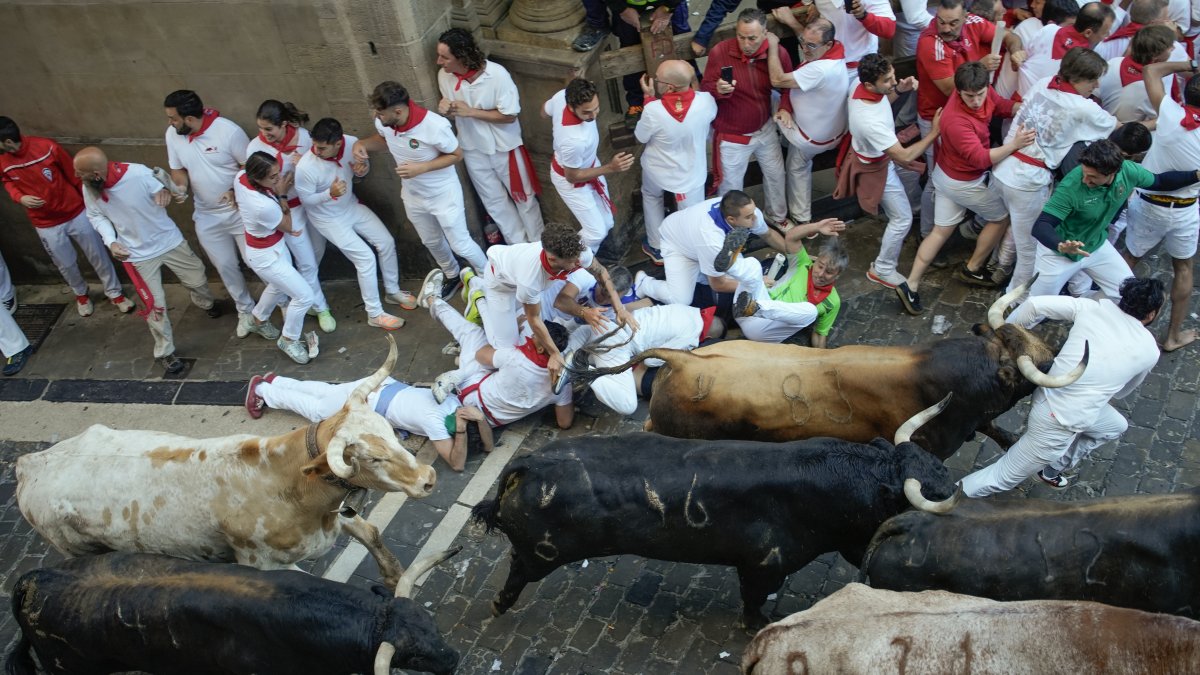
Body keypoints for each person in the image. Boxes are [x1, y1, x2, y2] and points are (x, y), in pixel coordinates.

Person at [961, 277, 1164, 496]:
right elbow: (1123, 392)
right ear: (1152, 314)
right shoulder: (1150, 351)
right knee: (1001, 477)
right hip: (1059, 421)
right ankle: (938, 499)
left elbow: (1033, 305)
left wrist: (1003, 337)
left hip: (1048, 391)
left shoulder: (1090, 307)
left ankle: (1052, 468)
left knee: (1115, 426)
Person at [74, 147, 219, 375]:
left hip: (169, 241)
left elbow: (171, 192)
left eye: (80, 172)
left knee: (198, 279)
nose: (76, 177)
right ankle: (165, 352)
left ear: (96, 173)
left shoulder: (138, 174)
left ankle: (205, 302)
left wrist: (165, 189)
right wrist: (111, 241)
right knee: (154, 305)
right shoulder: (89, 187)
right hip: (136, 255)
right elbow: (95, 215)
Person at [902, 62, 1035, 309]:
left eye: (980, 95)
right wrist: (1015, 144)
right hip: (962, 181)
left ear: (986, 86)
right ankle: (973, 267)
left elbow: (999, 104)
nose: (976, 101)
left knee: (940, 232)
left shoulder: (981, 90)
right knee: (1001, 217)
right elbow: (982, 158)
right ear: (959, 91)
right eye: (969, 97)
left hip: (946, 175)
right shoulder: (955, 121)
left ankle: (910, 285)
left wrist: (1023, 107)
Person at [993, 48, 1117, 297]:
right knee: (1031, 248)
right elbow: (1115, 126)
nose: (1096, 85)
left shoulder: (1042, 83)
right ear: (1079, 79)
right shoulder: (1083, 107)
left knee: (1017, 232)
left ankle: (1002, 267)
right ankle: (1014, 302)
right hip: (1027, 181)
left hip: (1004, 169)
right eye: (1093, 80)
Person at [354, 80, 489, 299]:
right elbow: (384, 140)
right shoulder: (387, 124)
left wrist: (422, 167)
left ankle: (488, 276)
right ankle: (452, 274)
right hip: (413, 195)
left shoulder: (434, 126)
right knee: (431, 241)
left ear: (398, 111)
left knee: (461, 244)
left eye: (381, 113)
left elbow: (456, 155)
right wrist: (361, 144)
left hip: (443, 195)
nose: (378, 117)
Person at [1024, 140, 1200, 305]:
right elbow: (1041, 225)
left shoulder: (1129, 171)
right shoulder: (1071, 187)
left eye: (1092, 177)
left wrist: (1196, 175)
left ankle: (1084, 312)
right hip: (1058, 253)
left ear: (1113, 173)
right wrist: (1061, 245)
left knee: (1126, 293)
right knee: (1035, 307)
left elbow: (1160, 182)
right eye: (1084, 173)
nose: (1085, 180)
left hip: (1095, 245)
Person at [0, 117, 133, 318]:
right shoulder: (3, 161)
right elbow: (7, 181)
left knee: (98, 255)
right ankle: (81, 294)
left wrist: (91, 206)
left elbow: (75, 177)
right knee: (65, 263)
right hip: (44, 223)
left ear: (7, 142)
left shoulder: (46, 147)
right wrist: (20, 197)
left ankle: (115, 293)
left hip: (76, 212)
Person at [470, 221, 636, 382]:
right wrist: (555, 353)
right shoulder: (530, 279)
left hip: (526, 285)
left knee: (520, 323)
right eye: (572, 261)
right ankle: (478, 298)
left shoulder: (578, 253)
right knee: (504, 346)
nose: (578, 263)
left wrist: (619, 309)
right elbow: (533, 318)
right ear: (552, 258)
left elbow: (601, 271)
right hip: (501, 286)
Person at [914, 0, 1025, 238]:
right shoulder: (929, 42)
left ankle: (945, 227)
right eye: (941, 22)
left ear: (965, 16)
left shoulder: (975, 23)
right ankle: (926, 232)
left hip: (970, 115)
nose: (945, 28)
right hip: (938, 117)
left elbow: (1008, 36)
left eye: (953, 22)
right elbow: (947, 89)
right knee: (936, 179)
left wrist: (1016, 50)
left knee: (952, 175)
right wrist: (980, 67)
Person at [838, 54, 940, 313]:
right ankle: (882, 268)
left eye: (893, 75)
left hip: (881, 157)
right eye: (888, 80)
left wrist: (899, 91)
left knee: (904, 209)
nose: (893, 81)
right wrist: (935, 132)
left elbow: (883, 100)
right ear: (870, 85)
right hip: (876, 167)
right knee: (902, 218)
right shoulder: (868, 120)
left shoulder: (860, 88)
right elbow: (905, 155)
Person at [245, 371, 492, 473]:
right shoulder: (435, 421)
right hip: (367, 399)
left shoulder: (456, 404)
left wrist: (480, 419)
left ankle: (277, 381)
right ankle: (264, 391)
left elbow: (489, 446)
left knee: (326, 392)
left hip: (380, 383)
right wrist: (460, 431)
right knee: (319, 410)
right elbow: (457, 464)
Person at [634, 190, 844, 311]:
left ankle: (700, 273)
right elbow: (718, 284)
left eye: (754, 213)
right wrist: (756, 283)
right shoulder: (711, 241)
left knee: (726, 271)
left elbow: (769, 235)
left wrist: (796, 256)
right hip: (677, 244)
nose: (756, 219)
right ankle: (645, 283)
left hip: (705, 244)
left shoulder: (748, 213)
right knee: (682, 298)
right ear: (732, 220)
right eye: (749, 217)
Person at [294, 118, 410, 331]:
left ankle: (392, 291)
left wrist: (361, 170)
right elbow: (306, 201)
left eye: (322, 147)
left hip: (350, 207)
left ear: (338, 143)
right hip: (327, 218)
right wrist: (328, 194)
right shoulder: (306, 167)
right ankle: (374, 313)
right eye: (315, 146)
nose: (316, 151)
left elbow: (361, 172)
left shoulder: (351, 143)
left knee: (385, 241)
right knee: (364, 258)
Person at [162, 90, 262, 336]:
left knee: (257, 261)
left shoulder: (228, 131)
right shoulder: (173, 135)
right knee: (225, 266)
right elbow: (178, 169)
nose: (170, 123)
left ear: (188, 118)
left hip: (239, 211)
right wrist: (181, 187)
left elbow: (247, 167)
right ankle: (245, 310)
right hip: (206, 215)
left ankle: (281, 303)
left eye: (173, 118)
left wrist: (234, 190)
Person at [436, 28, 544, 245]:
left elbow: (510, 115)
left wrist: (471, 112)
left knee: (524, 199)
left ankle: (540, 247)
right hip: (472, 148)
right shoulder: (444, 77)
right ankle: (519, 249)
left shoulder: (497, 75)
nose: (439, 61)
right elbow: (453, 109)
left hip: (505, 148)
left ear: (462, 57)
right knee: (494, 203)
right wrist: (445, 107)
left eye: (445, 57)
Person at [422, 280, 576, 431]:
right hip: (490, 423)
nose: (533, 335)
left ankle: (431, 299)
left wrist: (505, 333)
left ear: (543, 349)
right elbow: (565, 422)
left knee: (471, 333)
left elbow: (480, 355)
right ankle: (461, 358)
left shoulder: (514, 358)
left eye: (537, 335)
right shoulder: (562, 386)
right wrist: (564, 391)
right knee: (497, 361)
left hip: (470, 396)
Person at [1123, 59, 1200, 352]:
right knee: (1183, 269)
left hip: (1148, 204)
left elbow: (1152, 70)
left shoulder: (1169, 113)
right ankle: (1172, 337)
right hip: (1184, 211)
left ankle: (1108, 316)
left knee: (1128, 259)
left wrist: (1191, 63)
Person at [245, 100, 334, 333]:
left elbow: (323, 161)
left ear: (284, 124)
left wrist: (304, 163)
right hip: (288, 211)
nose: (264, 134)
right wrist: (281, 192)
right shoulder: (255, 147)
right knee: (306, 262)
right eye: (261, 128)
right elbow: (257, 184)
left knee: (316, 254)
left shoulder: (305, 137)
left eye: (268, 129)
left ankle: (310, 298)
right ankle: (321, 306)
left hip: (313, 205)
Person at [701, 8, 791, 227]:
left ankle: (777, 217)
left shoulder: (777, 53)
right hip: (732, 135)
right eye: (741, 37)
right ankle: (732, 228)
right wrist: (718, 89)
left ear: (765, 34)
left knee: (777, 176)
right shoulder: (720, 52)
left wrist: (786, 107)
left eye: (752, 38)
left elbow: (789, 86)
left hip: (765, 128)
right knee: (730, 187)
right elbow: (705, 88)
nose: (746, 43)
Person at [765, 22, 850, 228]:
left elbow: (777, 79)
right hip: (832, 130)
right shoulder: (834, 52)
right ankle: (802, 217)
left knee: (796, 165)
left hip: (811, 138)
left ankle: (802, 220)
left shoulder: (821, 69)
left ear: (828, 44)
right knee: (780, 102)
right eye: (802, 41)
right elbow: (793, 90)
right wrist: (785, 106)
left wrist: (773, 46)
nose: (804, 49)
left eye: (811, 46)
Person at [634, 59, 717, 264]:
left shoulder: (653, 110)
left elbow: (641, 136)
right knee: (691, 217)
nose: (655, 81)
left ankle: (657, 245)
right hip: (690, 172)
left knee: (651, 196)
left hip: (657, 169)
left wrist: (648, 98)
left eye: (658, 79)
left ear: (669, 87)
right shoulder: (706, 101)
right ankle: (689, 252)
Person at [234, 152, 313, 364]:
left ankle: (257, 319)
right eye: (272, 177)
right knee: (305, 296)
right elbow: (288, 225)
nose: (278, 179)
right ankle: (289, 339)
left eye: (278, 173)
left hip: (270, 246)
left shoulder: (241, 176)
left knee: (278, 286)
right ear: (257, 178)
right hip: (267, 255)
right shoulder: (263, 205)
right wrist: (282, 194)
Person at [543, 78, 633, 254]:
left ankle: (585, 261)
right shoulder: (573, 140)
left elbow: (543, 111)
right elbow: (572, 176)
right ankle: (568, 259)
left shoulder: (561, 96)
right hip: (572, 181)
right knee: (596, 232)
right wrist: (611, 168)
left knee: (607, 223)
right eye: (586, 113)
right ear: (571, 106)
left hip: (589, 166)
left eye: (596, 108)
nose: (593, 116)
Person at [738, 237, 847, 346]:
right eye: (820, 266)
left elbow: (820, 333)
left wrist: (820, 359)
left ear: (837, 275)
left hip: (761, 329)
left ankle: (757, 307)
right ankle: (729, 259)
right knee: (752, 263)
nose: (820, 274)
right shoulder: (802, 264)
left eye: (828, 272)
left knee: (811, 311)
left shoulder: (833, 301)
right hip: (741, 310)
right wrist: (816, 226)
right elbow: (792, 237)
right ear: (816, 260)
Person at [1018, 1, 1115, 96]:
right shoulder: (1084, 62)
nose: (1107, 35)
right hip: (1041, 104)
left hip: (1018, 95)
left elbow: (1025, 59)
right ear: (1088, 33)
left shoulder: (1048, 29)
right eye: (1105, 32)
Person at [1096, 25, 1178, 123]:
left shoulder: (1113, 62)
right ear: (1155, 56)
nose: (1173, 48)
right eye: (1169, 48)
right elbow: (1163, 119)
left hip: (1100, 123)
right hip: (1127, 134)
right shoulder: (1152, 88)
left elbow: (1094, 97)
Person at [1094, 0, 1172, 60]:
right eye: (1165, 19)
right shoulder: (1166, 49)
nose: (1169, 21)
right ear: (1153, 23)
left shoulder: (1105, 45)